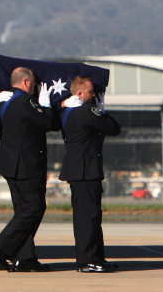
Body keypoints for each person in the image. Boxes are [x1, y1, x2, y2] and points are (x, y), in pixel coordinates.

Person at [0, 67, 56, 272]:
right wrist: (46, 105)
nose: (35, 87)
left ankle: (24, 258)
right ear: (25, 82)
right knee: (34, 209)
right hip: (26, 165)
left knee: (23, 211)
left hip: (12, 164)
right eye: (34, 83)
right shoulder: (26, 102)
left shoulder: (7, 103)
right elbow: (47, 123)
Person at [59, 76, 121, 273]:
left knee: (86, 216)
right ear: (79, 93)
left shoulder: (67, 111)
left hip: (78, 169)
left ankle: (93, 257)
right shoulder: (86, 111)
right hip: (86, 169)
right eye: (91, 91)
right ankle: (88, 260)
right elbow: (114, 128)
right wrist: (102, 112)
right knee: (89, 216)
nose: (94, 95)